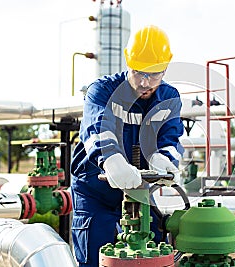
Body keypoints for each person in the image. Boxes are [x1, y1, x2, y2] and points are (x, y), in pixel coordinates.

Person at [70, 25, 184, 266]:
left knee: (152, 253)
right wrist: (112, 160)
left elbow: (170, 137)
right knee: (94, 257)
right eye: (138, 72)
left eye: (154, 74)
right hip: (95, 189)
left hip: (140, 189)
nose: (145, 82)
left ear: (165, 69)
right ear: (127, 63)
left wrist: (165, 160)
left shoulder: (169, 98)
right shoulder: (101, 91)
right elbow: (98, 129)